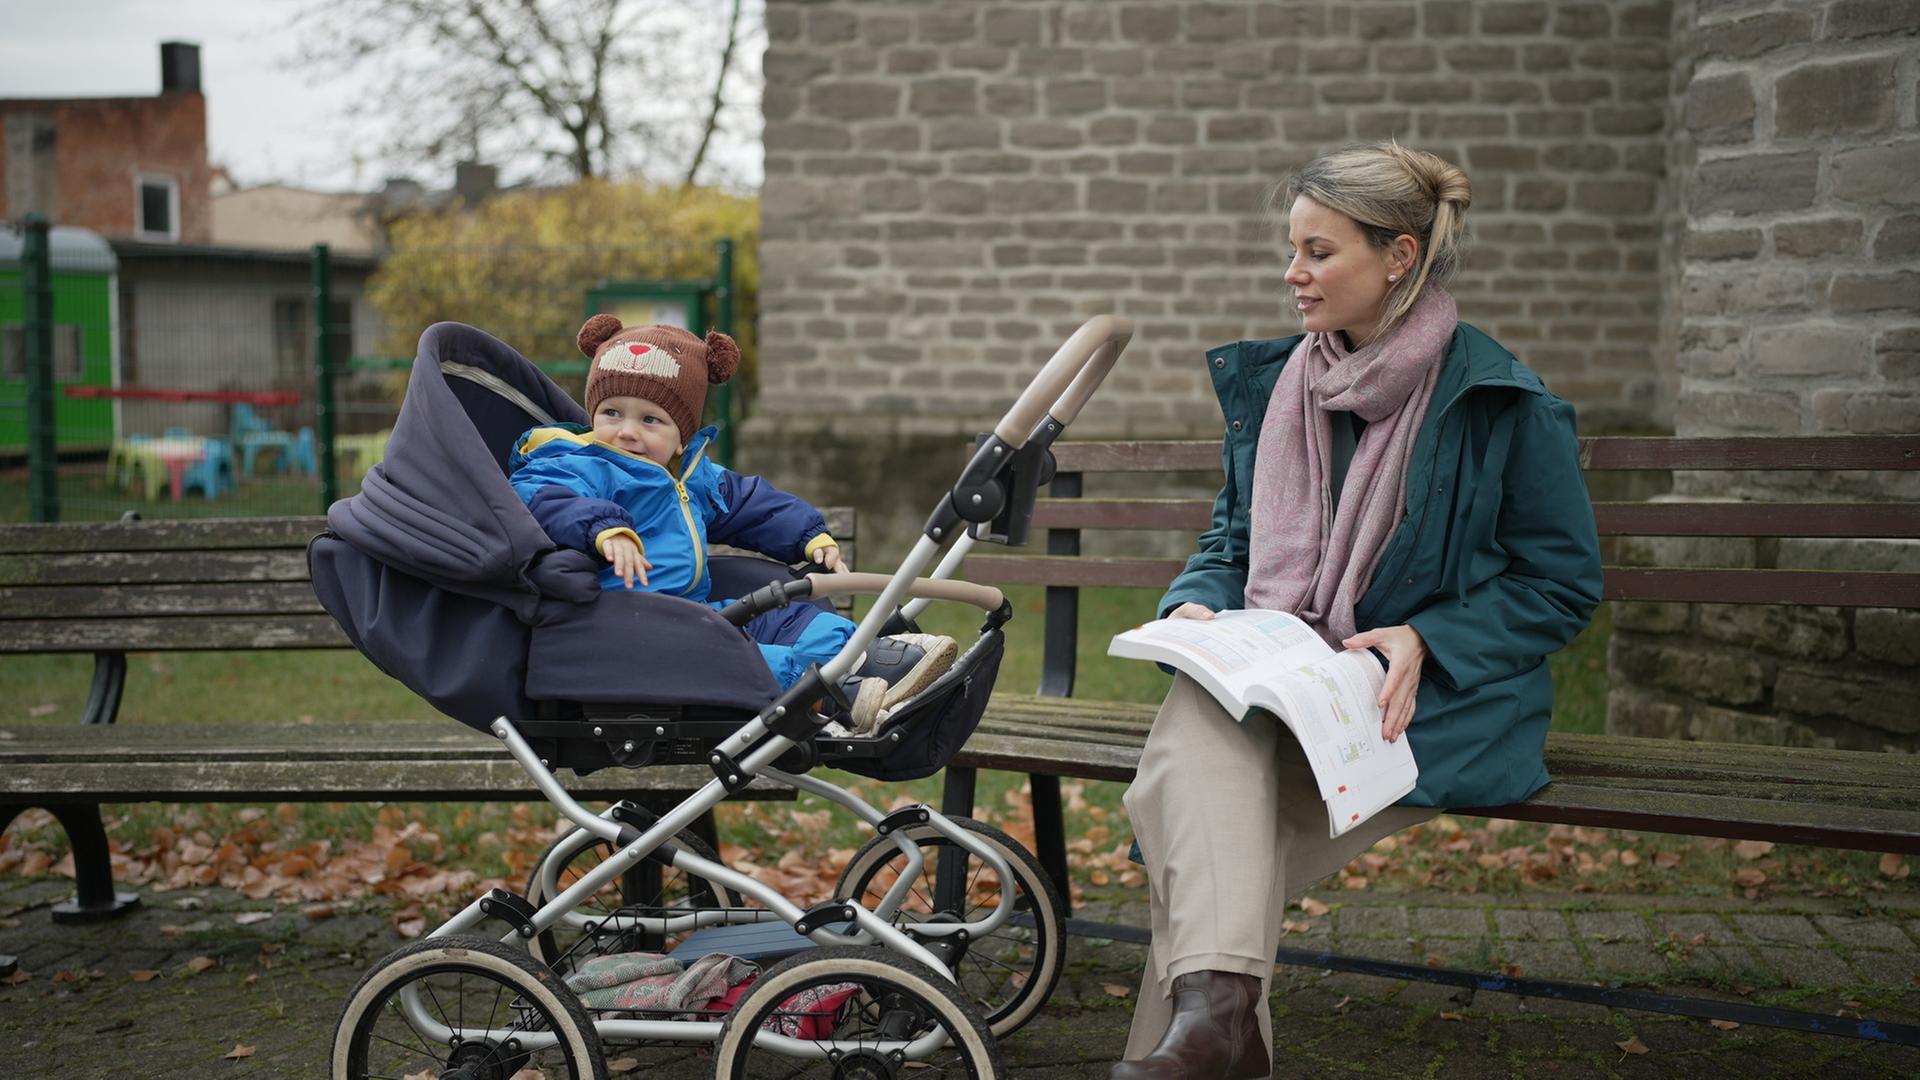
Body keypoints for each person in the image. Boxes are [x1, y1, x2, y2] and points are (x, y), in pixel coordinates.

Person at [1112, 143, 1604, 1080]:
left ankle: (1216, 1031)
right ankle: (1218, 1030)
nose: (1291, 274)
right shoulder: (1285, 390)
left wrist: (1430, 636)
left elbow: (1561, 585)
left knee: (1202, 843)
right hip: (1287, 691)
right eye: (1292, 250)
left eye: (1319, 251)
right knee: (1205, 772)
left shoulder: (1504, 404)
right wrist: (1194, 608)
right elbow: (1232, 545)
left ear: (1400, 256)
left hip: (1424, 709)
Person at [510, 315, 954, 726]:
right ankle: (830, 695)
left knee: (790, 620)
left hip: (693, 613)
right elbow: (545, 497)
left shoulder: (690, 475)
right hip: (626, 628)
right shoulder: (578, 462)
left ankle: (869, 659)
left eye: (650, 419)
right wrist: (603, 528)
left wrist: (808, 535)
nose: (626, 431)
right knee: (734, 653)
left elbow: (747, 503)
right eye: (611, 413)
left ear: (682, 438)